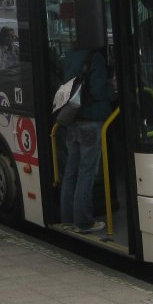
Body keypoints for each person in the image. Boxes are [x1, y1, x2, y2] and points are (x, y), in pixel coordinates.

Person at [58, 45, 116, 234]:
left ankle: (67, 218)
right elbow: (98, 92)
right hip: (91, 121)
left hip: (72, 119)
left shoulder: (71, 54)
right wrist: (112, 88)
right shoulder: (95, 57)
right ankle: (83, 222)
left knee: (71, 171)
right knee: (87, 172)